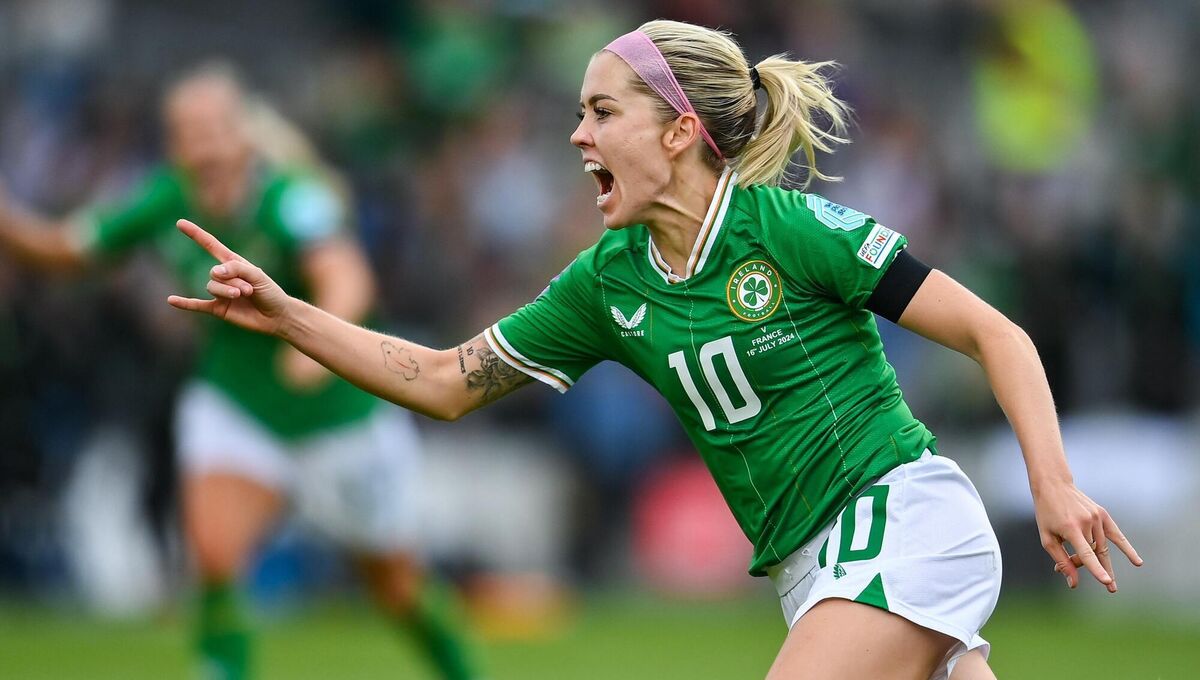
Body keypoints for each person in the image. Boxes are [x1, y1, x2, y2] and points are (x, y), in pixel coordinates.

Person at [167, 21, 1143, 680]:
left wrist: (1051, 483)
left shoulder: (790, 228)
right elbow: (438, 379)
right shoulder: (606, 282)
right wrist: (293, 314)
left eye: (601, 111)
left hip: (901, 520)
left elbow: (994, 331)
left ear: (679, 131)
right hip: (808, 568)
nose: (576, 132)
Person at [0, 66, 483, 680]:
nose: (201, 146)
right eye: (186, 132)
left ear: (242, 136)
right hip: (237, 406)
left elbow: (347, 276)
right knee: (215, 557)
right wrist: (8, 221)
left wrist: (310, 345)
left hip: (337, 417)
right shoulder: (165, 198)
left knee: (396, 588)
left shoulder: (293, 197)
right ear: (173, 144)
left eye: (212, 129)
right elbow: (67, 249)